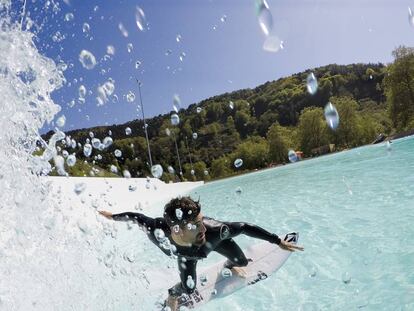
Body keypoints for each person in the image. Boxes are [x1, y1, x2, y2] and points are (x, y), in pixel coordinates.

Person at [99, 196, 304, 310]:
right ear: (177, 229)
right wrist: (113, 216)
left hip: (214, 245)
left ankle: (230, 265)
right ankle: (172, 294)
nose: (203, 228)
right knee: (188, 290)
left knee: (241, 262)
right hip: (186, 258)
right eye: (197, 225)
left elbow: (244, 227)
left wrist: (277, 241)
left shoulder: (215, 231)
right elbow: (135, 217)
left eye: (202, 221)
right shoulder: (157, 231)